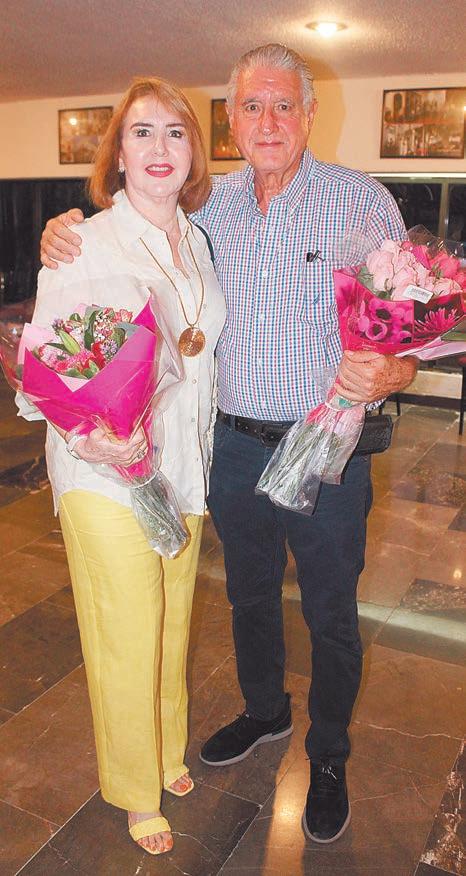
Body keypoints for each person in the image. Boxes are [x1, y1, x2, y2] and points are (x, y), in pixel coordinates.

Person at [40, 44, 418, 845]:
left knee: (330, 610)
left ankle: (329, 754)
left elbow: (408, 325)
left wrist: (394, 370)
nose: (268, 121)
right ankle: (264, 710)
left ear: (309, 113)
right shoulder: (206, 208)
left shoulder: (361, 202)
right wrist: (61, 229)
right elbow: (127, 237)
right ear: (231, 124)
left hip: (329, 445)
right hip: (231, 447)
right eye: (251, 106)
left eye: (284, 105)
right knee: (248, 596)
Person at [24, 76, 225, 855]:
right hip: (105, 477)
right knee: (125, 634)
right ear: (117, 154)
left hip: (183, 468)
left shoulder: (197, 240)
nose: (159, 147)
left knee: (171, 624)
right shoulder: (83, 241)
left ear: (193, 152)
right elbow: (47, 369)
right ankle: (136, 790)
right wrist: (94, 439)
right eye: (141, 132)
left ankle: (168, 753)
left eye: (175, 132)